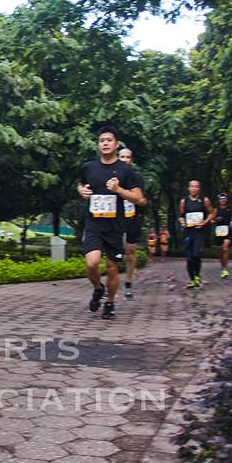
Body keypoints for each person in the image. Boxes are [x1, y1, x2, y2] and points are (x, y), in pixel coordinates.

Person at [77, 126, 146, 320]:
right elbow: (81, 184)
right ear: (98, 145)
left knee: (111, 267)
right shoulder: (89, 167)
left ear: (116, 144)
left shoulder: (125, 170)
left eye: (109, 140)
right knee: (92, 263)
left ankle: (110, 302)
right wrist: (81, 191)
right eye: (102, 140)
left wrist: (118, 190)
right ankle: (98, 288)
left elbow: (139, 198)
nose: (105, 143)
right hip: (94, 223)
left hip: (115, 226)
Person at [117, 147, 148, 299]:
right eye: (122, 157)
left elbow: (142, 201)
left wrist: (135, 198)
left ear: (131, 160)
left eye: (127, 157)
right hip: (115, 219)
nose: (125, 160)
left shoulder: (137, 178)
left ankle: (128, 283)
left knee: (130, 252)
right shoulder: (112, 177)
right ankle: (112, 282)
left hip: (132, 219)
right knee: (113, 253)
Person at [179, 180, 216, 289]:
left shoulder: (204, 200)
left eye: (196, 187)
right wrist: (182, 222)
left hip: (199, 231)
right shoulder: (184, 201)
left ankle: (197, 276)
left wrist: (205, 222)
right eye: (192, 186)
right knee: (189, 257)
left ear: (199, 188)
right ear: (188, 188)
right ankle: (192, 280)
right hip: (188, 231)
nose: (194, 189)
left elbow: (212, 212)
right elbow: (181, 216)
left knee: (196, 254)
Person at [213, 192, 232, 278]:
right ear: (219, 200)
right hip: (219, 232)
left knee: (225, 248)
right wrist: (216, 219)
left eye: (224, 199)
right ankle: (223, 267)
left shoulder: (230, 209)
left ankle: (225, 269)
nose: (223, 200)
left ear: (227, 200)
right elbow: (211, 220)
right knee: (221, 251)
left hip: (228, 231)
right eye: (221, 199)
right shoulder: (216, 210)